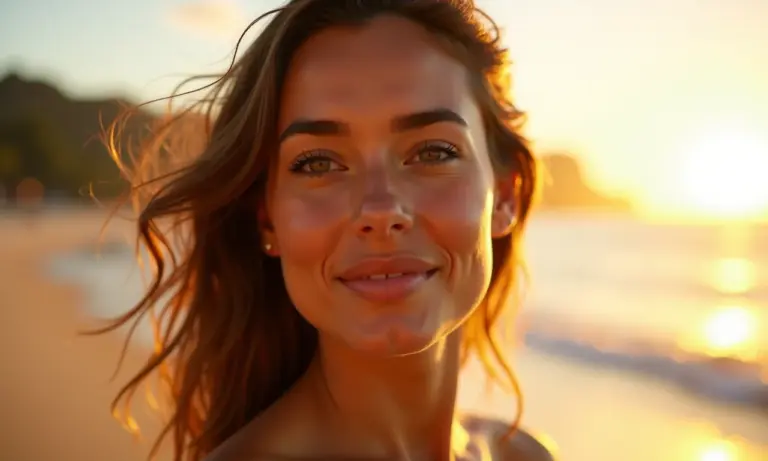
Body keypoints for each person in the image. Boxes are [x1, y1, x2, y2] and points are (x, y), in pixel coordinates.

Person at [101, 0, 551, 460]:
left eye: (433, 153)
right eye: (318, 163)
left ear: (505, 195)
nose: (380, 210)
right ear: (268, 218)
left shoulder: (526, 455)